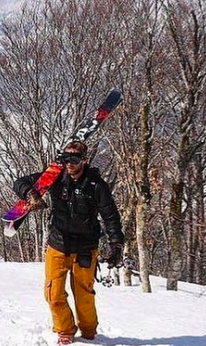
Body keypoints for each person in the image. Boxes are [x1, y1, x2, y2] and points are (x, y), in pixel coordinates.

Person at [13, 140, 124, 345]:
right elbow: (19, 182)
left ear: (85, 160)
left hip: (85, 248)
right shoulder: (54, 179)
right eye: (65, 159)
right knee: (53, 294)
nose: (69, 164)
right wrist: (32, 194)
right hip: (58, 245)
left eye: (74, 159)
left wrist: (116, 244)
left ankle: (89, 333)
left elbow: (111, 217)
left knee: (84, 296)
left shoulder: (96, 186)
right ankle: (65, 331)